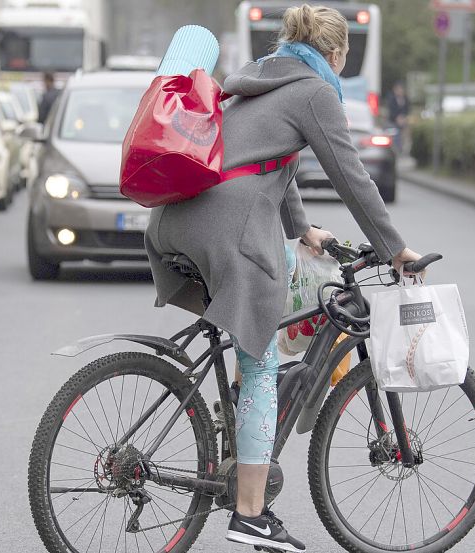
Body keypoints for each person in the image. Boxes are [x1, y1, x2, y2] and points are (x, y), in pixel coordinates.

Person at [144, 5, 421, 551]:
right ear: (337, 55)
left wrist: (301, 228)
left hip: (176, 219)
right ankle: (250, 513)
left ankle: (235, 424)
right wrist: (396, 250)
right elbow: (352, 177)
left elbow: (269, 158)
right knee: (263, 358)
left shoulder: (261, 75)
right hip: (227, 227)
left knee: (263, 311)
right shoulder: (315, 91)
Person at [386, 81, 410, 154]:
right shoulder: (391, 99)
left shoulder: (405, 99)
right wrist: (397, 118)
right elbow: (391, 110)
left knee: (405, 135)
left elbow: (407, 109)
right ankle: (395, 150)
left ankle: (402, 150)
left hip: (403, 121)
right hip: (393, 121)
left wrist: (403, 117)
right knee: (395, 135)